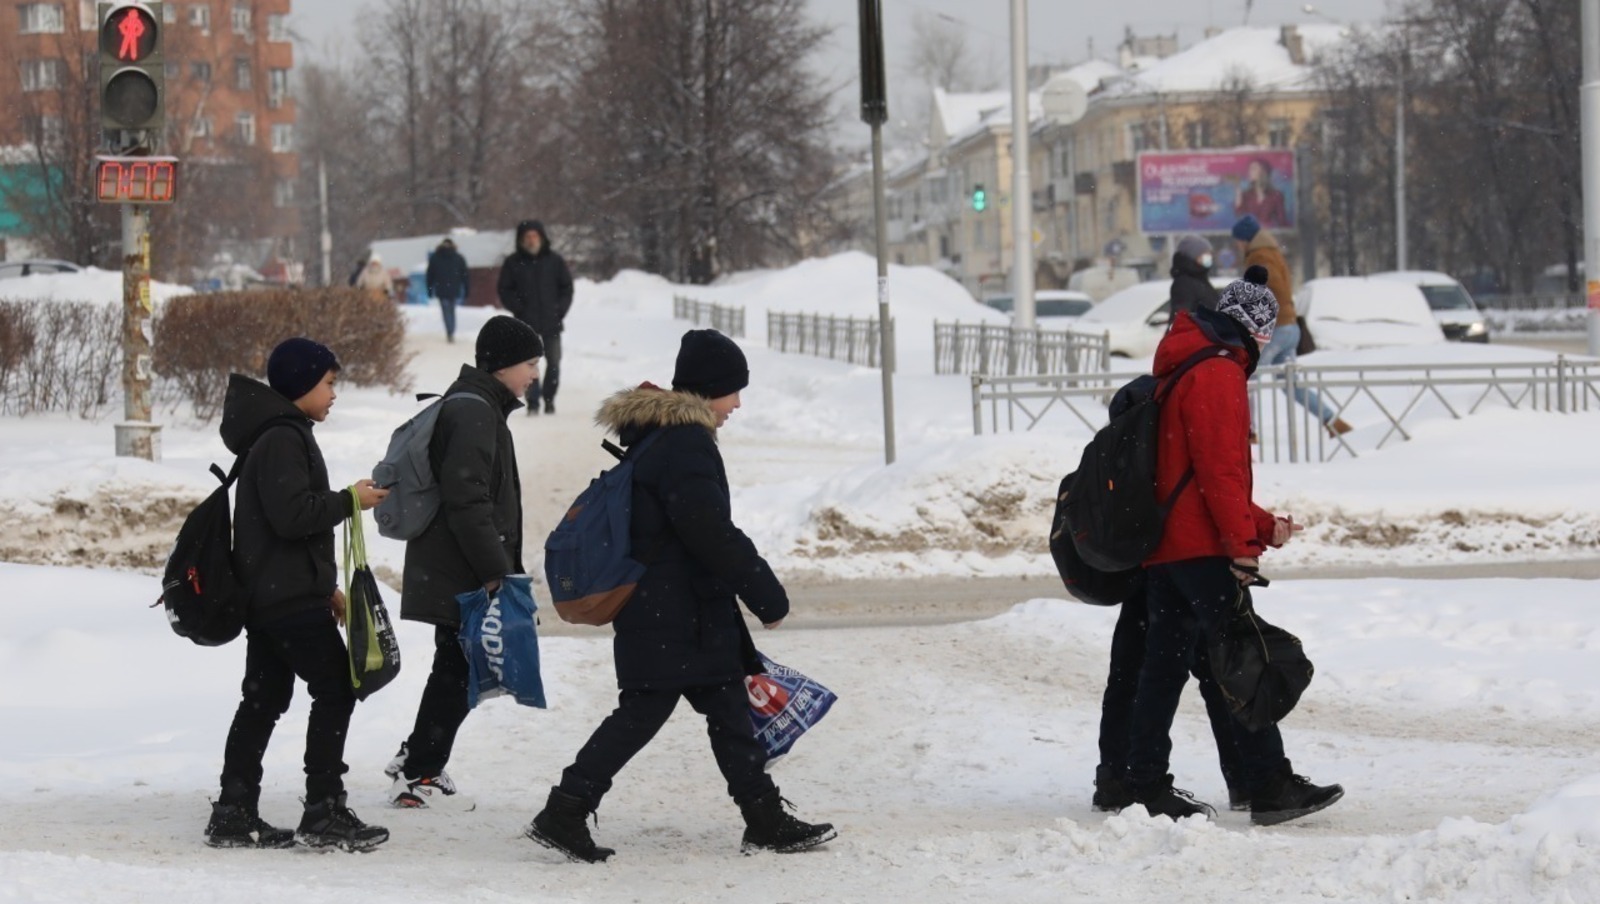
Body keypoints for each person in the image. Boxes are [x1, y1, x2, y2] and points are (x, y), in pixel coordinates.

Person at [526, 329, 836, 862]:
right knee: (644, 713)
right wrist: (767, 595)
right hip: (673, 611)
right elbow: (709, 532)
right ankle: (566, 807)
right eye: (733, 391)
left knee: (729, 711)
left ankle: (762, 816)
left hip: (679, 609)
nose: (738, 403)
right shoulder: (684, 444)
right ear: (711, 388)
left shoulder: (664, 436)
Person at [1122, 268, 1344, 825]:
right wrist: (1241, 546)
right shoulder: (1217, 374)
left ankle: (1148, 780)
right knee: (1243, 658)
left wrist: (1260, 525)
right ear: (1254, 332)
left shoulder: (1186, 365)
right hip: (1199, 550)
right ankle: (1268, 783)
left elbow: (1197, 477)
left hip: (1171, 547)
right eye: (1265, 339)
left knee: (1166, 668)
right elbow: (1219, 473)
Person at [207, 338, 391, 852]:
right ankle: (323, 810)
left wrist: (327, 586)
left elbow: (278, 526)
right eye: (329, 384)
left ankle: (233, 811)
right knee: (335, 688)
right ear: (301, 385)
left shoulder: (274, 435)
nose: (334, 394)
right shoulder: (283, 437)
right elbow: (293, 517)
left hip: (273, 595)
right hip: (285, 600)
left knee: (263, 700)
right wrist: (350, 500)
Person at [385, 315, 541, 808]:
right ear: (501, 366)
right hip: (460, 571)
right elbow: (468, 502)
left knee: (455, 665)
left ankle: (417, 758)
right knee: (459, 668)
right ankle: (419, 774)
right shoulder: (474, 413)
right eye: (530, 363)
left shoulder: (479, 406)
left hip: (453, 566)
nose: (535, 373)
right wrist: (496, 574)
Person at [1231, 215, 1351, 439]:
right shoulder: (1271, 252)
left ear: (1246, 239)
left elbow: (1273, 287)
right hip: (1289, 328)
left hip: (1274, 330)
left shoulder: (1259, 256)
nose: (1237, 245)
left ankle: (1248, 432)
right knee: (1291, 384)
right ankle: (1332, 421)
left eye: (1238, 240)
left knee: (1246, 376)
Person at [496, 220, 574, 415]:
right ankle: (532, 402)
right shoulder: (513, 262)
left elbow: (567, 288)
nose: (531, 240)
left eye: (534, 236)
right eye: (527, 237)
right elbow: (504, 289)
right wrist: (518, 309)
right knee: (528, 364)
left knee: (554, 362)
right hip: (525, 323)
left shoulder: (554, 261)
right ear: (521, 240)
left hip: (552, 321)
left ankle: (549, 399)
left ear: (541, 238)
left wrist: (560, 310)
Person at [425, 237, 470, 343]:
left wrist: (430, 289)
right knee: (451, 310)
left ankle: (449, 331)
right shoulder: (458, 258)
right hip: (454, 289)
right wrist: (466, 288)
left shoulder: (435, 258)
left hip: (441, 289)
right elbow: (465, 275)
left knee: (446, 311)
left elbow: (430, 275)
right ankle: (451, 331)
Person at [1168, 234, 1219, 317]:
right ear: (1194, 256)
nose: (1209, 256)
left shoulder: (1201, 280)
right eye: (1205, 253)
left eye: (1209, 253)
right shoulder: (1184, 284)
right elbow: (1181, 317)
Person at [1234, 158, 1288, 228]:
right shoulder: (1246, 195)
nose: (1249, 172)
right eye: (1249, 169)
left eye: (1253, 169)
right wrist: (1238, 195)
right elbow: (1239, 215)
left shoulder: (1276, 195)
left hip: (1269, 234)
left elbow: (1281, 221)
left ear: (1263, 172)